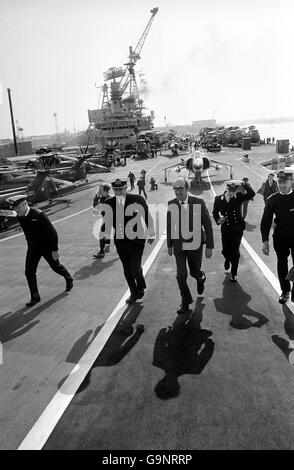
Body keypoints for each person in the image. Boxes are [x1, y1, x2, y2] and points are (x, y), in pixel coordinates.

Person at [7, 195, 73, 307]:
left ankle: (68, 278)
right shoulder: (20, 216)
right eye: (14, 208)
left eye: (17, 207)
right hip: (33, 248)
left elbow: (53, 233)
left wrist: (54, 250)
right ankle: (35, 296)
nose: (15, 210)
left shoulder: (38, 214)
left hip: (47, 247)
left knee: (56, 267)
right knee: (29, 272)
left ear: (24, 204)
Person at [102, 179, 155, 304]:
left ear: (126, 188)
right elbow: (107, 224)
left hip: (137, 240)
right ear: (113, 190)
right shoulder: (108, 203)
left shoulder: (137, 199)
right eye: (116, 190)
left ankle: (140, 287)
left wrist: (152, 233)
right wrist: (107, 242)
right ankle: (133, 292)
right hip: (120, 241)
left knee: (135, 267)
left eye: (121, 189)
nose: (119, 192)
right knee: (127, 269)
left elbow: (147, 216)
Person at [167, 177, 214, 314]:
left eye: (180, 188)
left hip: (195, 245)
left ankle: (200, 278)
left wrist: (209, 246)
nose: (177, 191)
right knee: (180, 275)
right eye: (175, 189)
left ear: (187, 189)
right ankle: (185, 301)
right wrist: (169, 244)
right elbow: (170, 226)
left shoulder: (198, 202)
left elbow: (208, 225)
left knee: (194, 271)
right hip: (179, 246)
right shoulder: (172, 204)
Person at [260, 170, 294, 304]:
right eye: (280, 182)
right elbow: (266, 221)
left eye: (285, 182)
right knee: (282, 264)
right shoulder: (273, 200)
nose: (283, 185)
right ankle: (285, 290)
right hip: (280, 237)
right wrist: (265, 241)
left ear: (291, 182)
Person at [212, 180, 255, 282]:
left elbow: (251, 194)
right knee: (226, 250)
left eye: (233, 190)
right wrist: (218, 219)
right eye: (230, 190)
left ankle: (234, 273)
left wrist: (244, 184)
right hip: (226, 228)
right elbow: (214, 212)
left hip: (237, 228)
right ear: (226, 189)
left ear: (236, 190)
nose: (231, 193)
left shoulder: (239, 196)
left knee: (235, 251)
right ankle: (227, 259)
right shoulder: (219, 199)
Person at [92, 183, 111, 259]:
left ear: (106, 191)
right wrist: (95, 203)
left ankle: (102, 251)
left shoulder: (109, 198)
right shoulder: (101, 198)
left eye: (101, 190)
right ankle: (103, 251)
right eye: (99, 189)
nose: (99, 191)